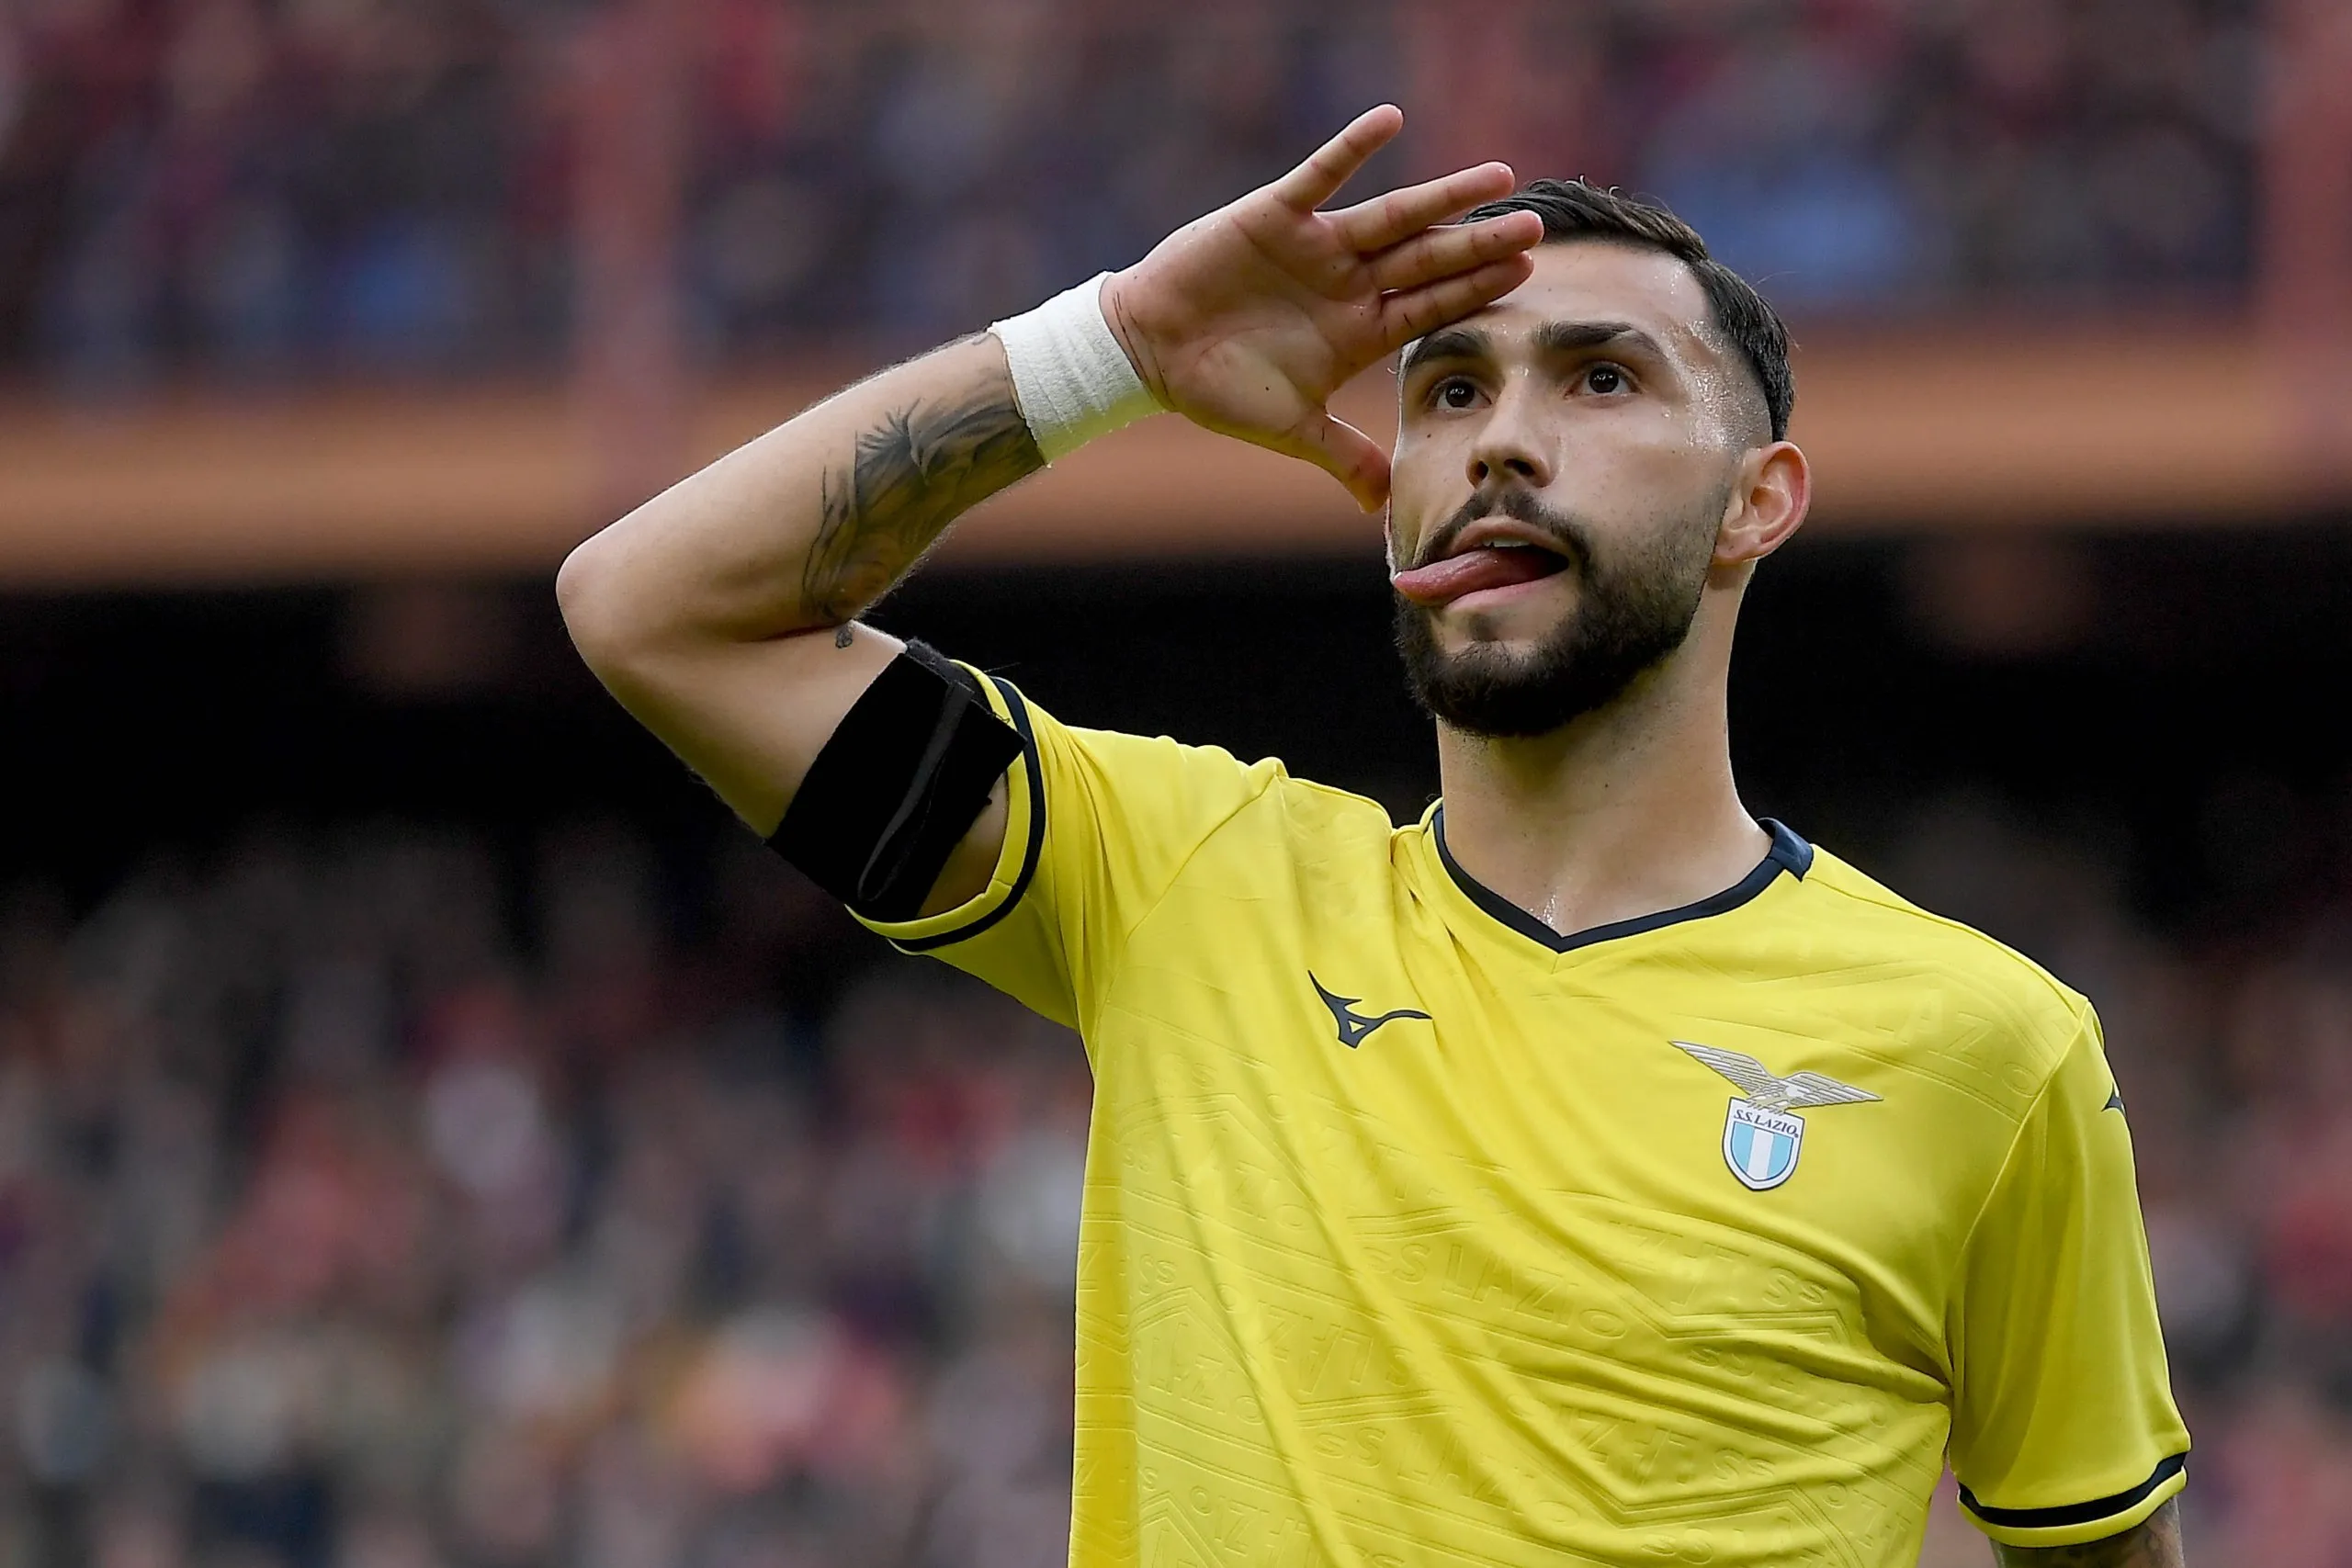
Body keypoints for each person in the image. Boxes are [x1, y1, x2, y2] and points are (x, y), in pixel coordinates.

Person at [556, 105, 2188, 1567]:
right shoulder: (1189, 881)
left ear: (1757, 500)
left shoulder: (1992, 1053)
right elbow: (659, 610)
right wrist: (1111, 345)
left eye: (1602, 378)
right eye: (1452, 386)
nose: (1502, 437)